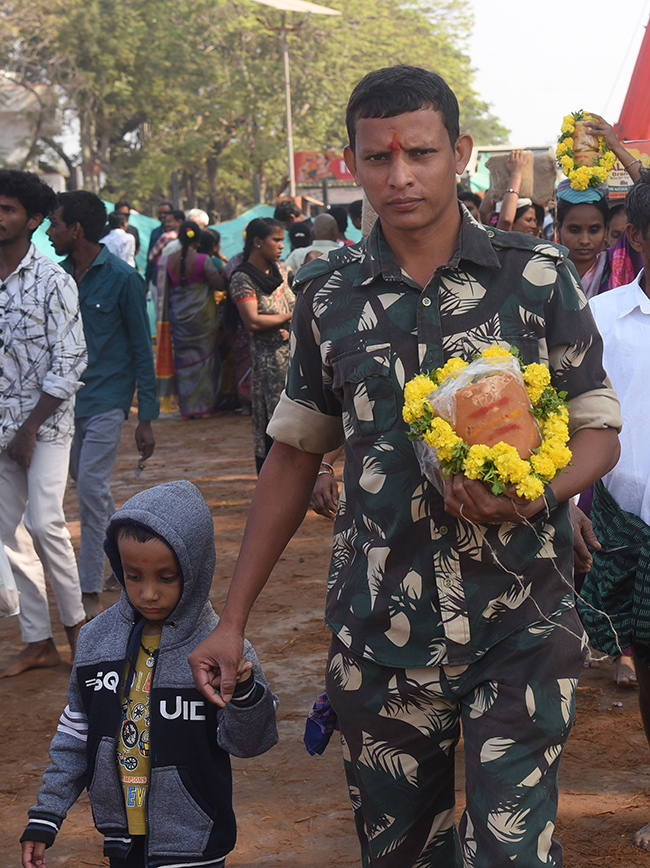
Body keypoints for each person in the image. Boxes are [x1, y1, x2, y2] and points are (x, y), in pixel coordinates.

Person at [188, 65, 621, 867]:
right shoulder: (326, 295)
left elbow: (597, 429)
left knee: (512, 854)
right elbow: (293, 454)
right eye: (379, 159)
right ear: (351, 163)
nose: (401, 177)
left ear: (457, 152)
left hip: (521, 625)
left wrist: (540, 496)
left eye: (420, 154)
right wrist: (234, 617)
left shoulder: (536, 276)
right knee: (400, 855)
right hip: (380, 636)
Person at [20, 480, 278, 868]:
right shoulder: (94, 640)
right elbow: (75, 735)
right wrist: (47, 814)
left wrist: (243, 690)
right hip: (120, 839)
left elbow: (251, 742)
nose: (148, 594)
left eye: (166, 577)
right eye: (133, 576)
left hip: (194, 842)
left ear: (196, 569)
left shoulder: (223, 647)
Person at [575, 169, 650, 850]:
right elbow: (572, 421)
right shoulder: (602, 318)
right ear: (640, 239)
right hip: (630, 524)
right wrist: (570, 500)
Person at [47, 191, 159, 619]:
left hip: (108, 401)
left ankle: (89, 594)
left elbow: (140, 349)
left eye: (54, 224)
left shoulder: (123, 279)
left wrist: (145, 417)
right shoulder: (55, 278)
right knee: (87, 486)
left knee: (90, 487)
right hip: (63, 403)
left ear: (75, 229)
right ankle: (120, 555)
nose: (49, 232)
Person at [0, 170, 87, 678]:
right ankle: (38, 640)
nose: (0, 216)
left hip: (47, 428)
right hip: (3, 432)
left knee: (45, 522)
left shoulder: (54, 281)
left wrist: (30, 428)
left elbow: (71, 362)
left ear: (33, 220)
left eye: (8, 209)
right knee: (8, 533)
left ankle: (78, 631)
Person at [228, 218, 294, 473]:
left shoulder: (282, 270)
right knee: (274, 427)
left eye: (281, 240)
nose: (281, 245)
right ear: (257, 242)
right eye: (275, 240)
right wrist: (290, 317)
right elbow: (253, 320)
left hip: (292, 361)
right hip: (268, 368)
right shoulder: (242, 278)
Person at [156, 221, 225, 418]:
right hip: (203, 319)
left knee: (183, 361)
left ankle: (187, 408)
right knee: (204, 361)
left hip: (179, 319)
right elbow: (219, 284)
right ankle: (204, 407)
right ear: (198, 239)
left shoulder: (167, 260)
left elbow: (166, 290)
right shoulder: (203, 260)